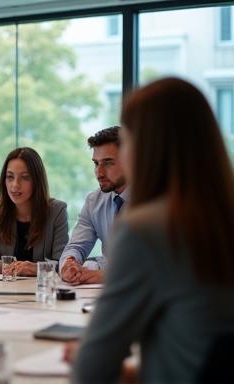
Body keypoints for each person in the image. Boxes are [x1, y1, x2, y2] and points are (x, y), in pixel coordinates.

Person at [71, 77, 234, 382]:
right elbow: (198, 347)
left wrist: (85, 356)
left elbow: (91, 371)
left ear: (145, 148)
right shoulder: (219, 216)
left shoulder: (146, 229)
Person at [0, 147, 69, 276]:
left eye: (25, 177)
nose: (15, 185)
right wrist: (16, 267)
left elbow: (63, 264)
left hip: (41, 291)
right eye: (10, 177)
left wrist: (35, 268)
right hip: (4, 291)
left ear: (37, 181)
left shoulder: (57, 211)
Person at [59, 126, 128, 285]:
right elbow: (76, 246)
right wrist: (69, 263)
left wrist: (106, 275)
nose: (99, 172)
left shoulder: (155, 201)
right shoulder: (94, 202)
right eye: (96, 164)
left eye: (108, 163)